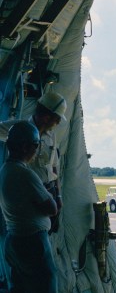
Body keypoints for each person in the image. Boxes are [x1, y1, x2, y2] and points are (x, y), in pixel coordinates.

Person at [1, 121, 74, 293]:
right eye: (33, 146)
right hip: (32, 242)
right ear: (23, 147)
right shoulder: (25, 174)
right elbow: (51, 209)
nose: (35, 151)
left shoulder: (5, 171)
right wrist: (55, 196)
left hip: (14, 240)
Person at [0, 89, 67, 234]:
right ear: (46, 117)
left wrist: (59, 195)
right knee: (30, 229)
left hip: (48, 191)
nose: (58, 122)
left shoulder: (51, 136)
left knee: (46, 229)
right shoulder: (19, 128)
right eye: (57, 118)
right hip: (29, 192)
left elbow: (54, 168)